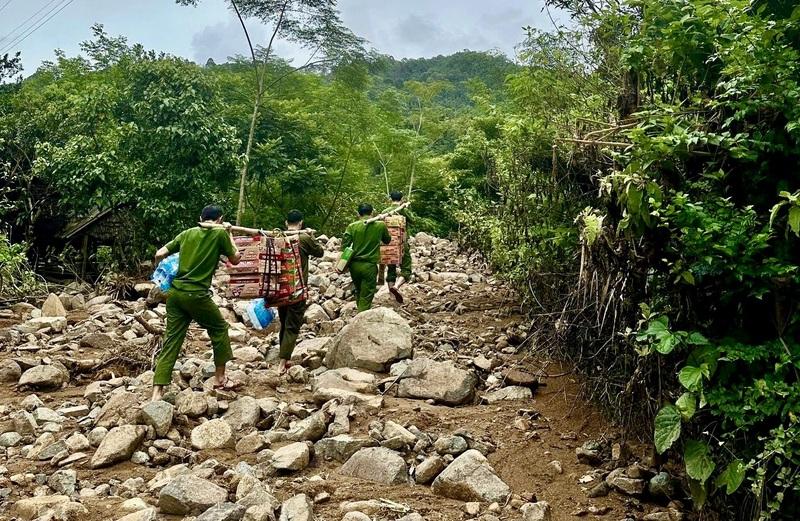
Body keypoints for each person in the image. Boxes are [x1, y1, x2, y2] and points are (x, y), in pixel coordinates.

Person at [150, 205, 241, 401]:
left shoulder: (187, 233)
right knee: (219, 328)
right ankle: (220, 378)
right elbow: (235, 259)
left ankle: (157, 393)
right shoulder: (220, 234)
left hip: (175, 294)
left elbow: (159, 253)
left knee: (171, 341)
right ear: (220, 219)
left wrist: (163, 271)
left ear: (200, 217)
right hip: (197, 295)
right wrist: (230, 234)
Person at [276, 209, 323, 374]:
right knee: (292, 325)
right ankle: (282, 362)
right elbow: (320, 252)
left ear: (285, 223)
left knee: (284, 322)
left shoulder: (277, 237)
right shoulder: (303, 238)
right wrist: (311, 236)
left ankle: (283, 355)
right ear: (301, 223)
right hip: (297, 288)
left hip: (279, 288)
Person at [342, 203, 391, 312]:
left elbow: (344, 246)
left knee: (358, 290)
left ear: (358, 213)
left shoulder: (352, 226)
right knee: (367, 293)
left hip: (354, 265)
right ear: (372, 212)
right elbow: (387, 240)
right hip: (369, 266)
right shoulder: (380, 225)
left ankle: (359, 312)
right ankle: (361, 317)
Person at [378, 190, 414, 303]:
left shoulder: (385, 212)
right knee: (406, 267)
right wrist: (405, 208)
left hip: (388, 245)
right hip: (402, 243)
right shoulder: (404, 210)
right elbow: (413, 221)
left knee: (391, 268)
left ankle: (391, 296)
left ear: (390, 199)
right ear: (401, 199)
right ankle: (397, 286)